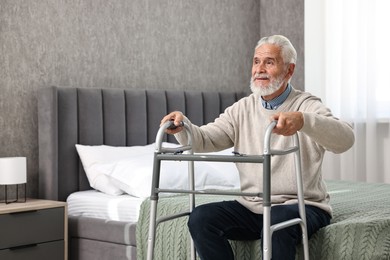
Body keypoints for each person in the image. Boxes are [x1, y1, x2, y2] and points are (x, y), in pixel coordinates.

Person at [160, 35, 354, 260]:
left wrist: (303, 121)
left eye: (269, 62)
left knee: (278, 222)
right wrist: (183, 127)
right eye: (256, 61)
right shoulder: (242, 108)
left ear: (289, 71)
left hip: (304, 205)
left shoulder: (307, 105)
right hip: (253, 207)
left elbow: (345, 139)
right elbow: (205, 139)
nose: (259, 69)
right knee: (201, 218)